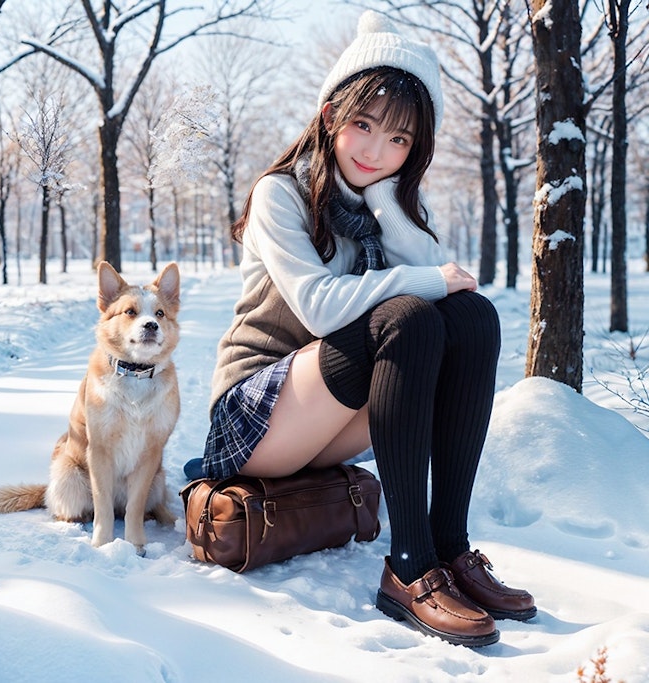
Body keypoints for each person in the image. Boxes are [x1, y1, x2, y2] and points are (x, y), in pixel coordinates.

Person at [193, 11, 535, 647]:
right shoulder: (281, 195)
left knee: (472, 317)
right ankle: (407, 568)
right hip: (256, 416)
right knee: (406, 313)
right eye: (363, 125)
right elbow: (324, 307)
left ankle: (449, 548)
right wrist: (420, 280)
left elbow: (446, 287)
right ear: (330, 116)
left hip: (328, 418)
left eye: (399, 141)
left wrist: (387, 205)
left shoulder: (390, 200)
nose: (376, 151)